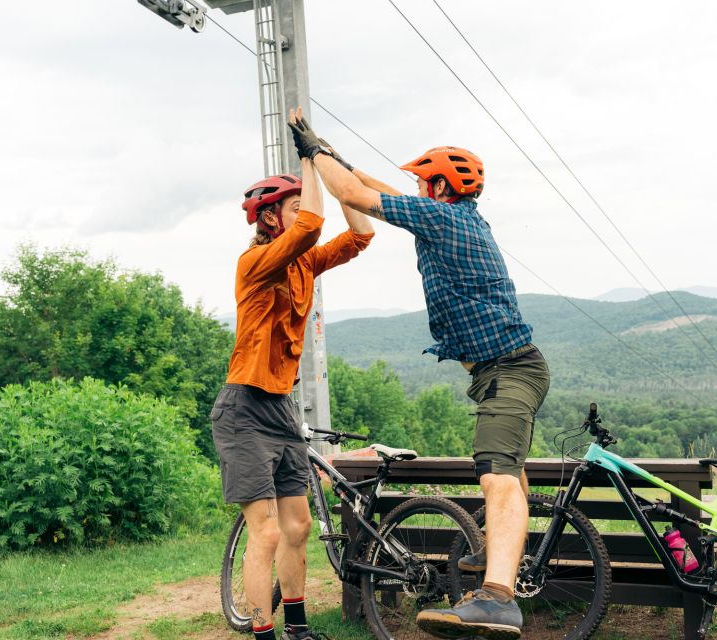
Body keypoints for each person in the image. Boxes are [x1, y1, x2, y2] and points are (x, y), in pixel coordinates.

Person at [288, 111, 549, 640]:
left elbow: (361, 199)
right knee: (509, 470)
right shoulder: (457, 216)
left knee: (495, 473)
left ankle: (498, 599)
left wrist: (313, 154)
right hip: (507, 369)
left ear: (439, 189)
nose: (416, 189)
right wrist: (338, 159)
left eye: (423, 183)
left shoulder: (445, 219)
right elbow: (377, 189)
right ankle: (508, 555)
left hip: (509, 370)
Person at [210, 149, 374, 640]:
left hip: (280, 406)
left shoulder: (303, 263)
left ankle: (298, 631)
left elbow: (361, 236)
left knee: (298, 527)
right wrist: (310, 158)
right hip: (243, 409)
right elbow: (311, 226)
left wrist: (339, 177)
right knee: (266, 533)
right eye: (294, 204)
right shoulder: (255, 262)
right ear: (268, 217)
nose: (303, 210)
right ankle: (264, 633)